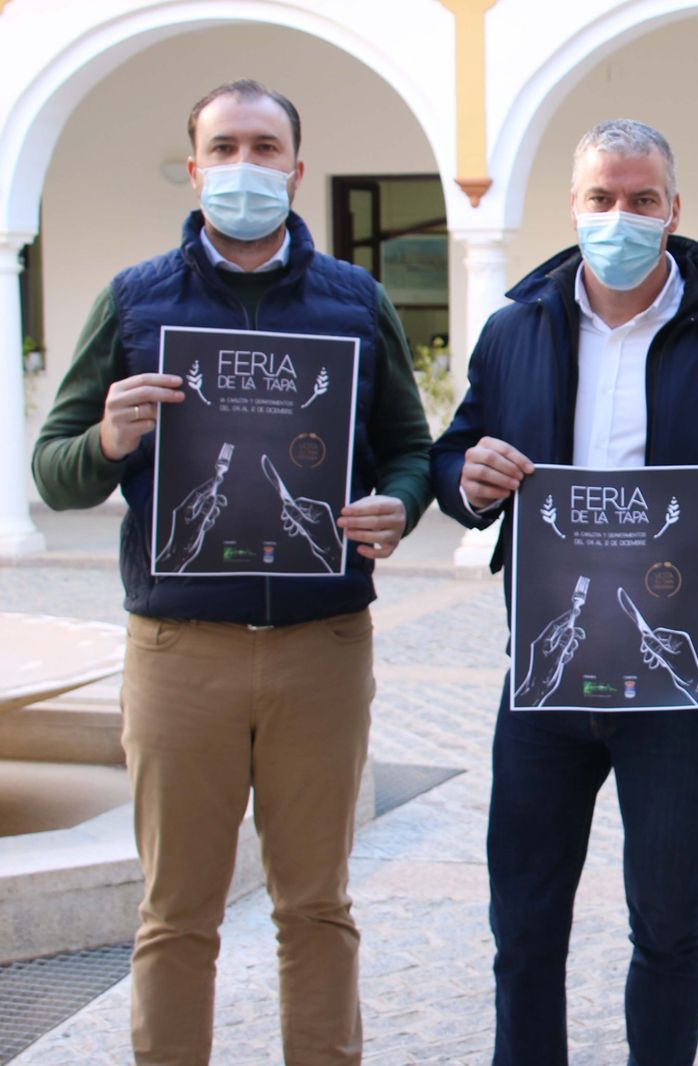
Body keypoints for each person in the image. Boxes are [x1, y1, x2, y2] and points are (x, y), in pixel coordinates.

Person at [31, 80, 433, 1062]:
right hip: (180, 652)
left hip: (320, 648)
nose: (244, 164)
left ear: (297, 168)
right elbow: (55, 465)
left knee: (316, 905)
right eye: (225, 145)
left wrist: (401, 504)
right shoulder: (135, 300)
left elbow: (409, 448)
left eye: (264, 147)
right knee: (177, 912)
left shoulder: (354, 299)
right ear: (195, 160)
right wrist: (110, 437)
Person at [429, 118, 698, 1064]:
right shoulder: (516, 329)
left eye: (642, 200)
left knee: (668, 930)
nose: (621, 216)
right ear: (574, 208)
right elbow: (457, 452)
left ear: (674, 210)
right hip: (546, 683)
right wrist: (465, 481)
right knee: (523, 932)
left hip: (678, 684)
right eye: (602, 199)